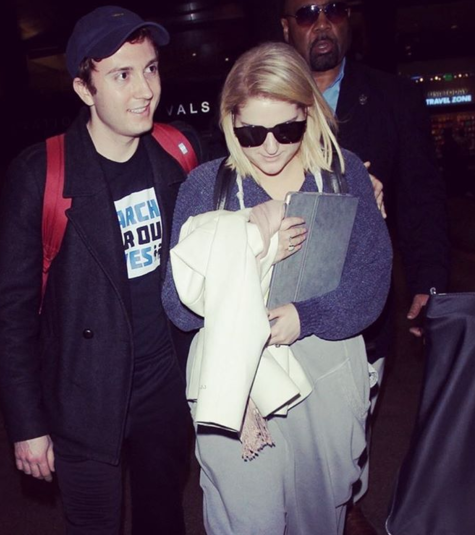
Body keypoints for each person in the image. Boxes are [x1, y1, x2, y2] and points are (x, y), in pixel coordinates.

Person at [162, 41, 392, 535]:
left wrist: (306, 317)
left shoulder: (342, 174)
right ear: (230, 122)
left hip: (325, 364)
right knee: (246, 519)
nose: (270, 146)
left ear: (309, 113)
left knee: (319, 514)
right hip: (235, 375)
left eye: (287, 129)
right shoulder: (208, 187)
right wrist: (252, 239)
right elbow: (177, 306)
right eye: (252, 132)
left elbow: (373, 279)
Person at [0, 6, 196, 534]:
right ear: (84, 88)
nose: (145, 90)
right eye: (122, 75)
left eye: (150, 69)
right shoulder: (42, 173)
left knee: (164, 521)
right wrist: (28, 424)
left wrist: (346, 182)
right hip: (83, 395)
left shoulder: (176, 152)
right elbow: (10, 314)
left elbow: (253, 167)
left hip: (163, 389)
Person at [281, 2, 449, 533]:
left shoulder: (394, 97)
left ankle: (345, 501)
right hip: (282, 286)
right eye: (306, 13)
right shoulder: (266, 91)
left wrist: (428, 281)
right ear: (285, 27)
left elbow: (420, 195)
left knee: (354, 410)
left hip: (360, 293)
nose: (321, 23)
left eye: (333, 9)